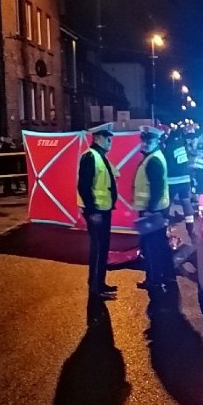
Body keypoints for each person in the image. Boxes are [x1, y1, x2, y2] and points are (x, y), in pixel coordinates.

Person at [77, 126, 118, 301]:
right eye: (108, 139)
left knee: (103, 249)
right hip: (96, 212)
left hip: (103, 210)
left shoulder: (100, 157)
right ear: (98, 138)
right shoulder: (90, 157)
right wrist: (92, 211)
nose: (110, 142)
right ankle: (96, 288)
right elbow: (83, 187)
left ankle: (100, 282)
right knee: (98, 250)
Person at [133, 125, 176, 291]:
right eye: (143, 140)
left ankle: (154, 279)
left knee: (150, 247)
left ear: (157, 141)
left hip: (152, 210)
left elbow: (157, 187)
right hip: (157, 209)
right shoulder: (154, 156)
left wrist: (150, 209)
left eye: (149, 140)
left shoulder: (153, 160)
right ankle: (166, 276)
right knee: (158, 245)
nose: (145, 143)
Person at [163, 128, 196, 237]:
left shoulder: (168, 147)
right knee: (186, 203)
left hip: (172, 181)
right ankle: (190, 229)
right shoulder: (182, 146)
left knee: (167, 204)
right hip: (185, 180)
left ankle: (164, 227)